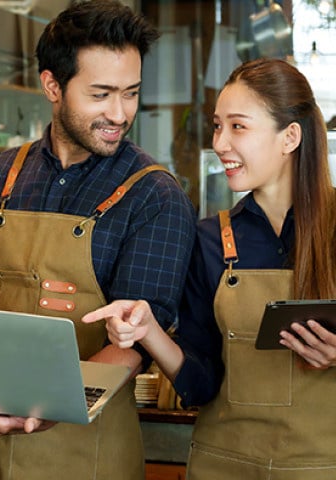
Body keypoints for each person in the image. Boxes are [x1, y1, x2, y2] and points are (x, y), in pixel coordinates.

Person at [0, 1, 196, 479]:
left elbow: (135, 342)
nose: (119, 114)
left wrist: (41, 408)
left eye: (131, 93)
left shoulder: (154, 195)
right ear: (52, 86)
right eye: (100, 94)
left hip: (89, 452)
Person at [83, 57, 336, 479]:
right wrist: (150, 332)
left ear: (290, 137)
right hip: (224, 466)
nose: (220, 143)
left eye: (238, 126)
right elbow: (201, 384)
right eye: (218, 126)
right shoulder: (209, 240)